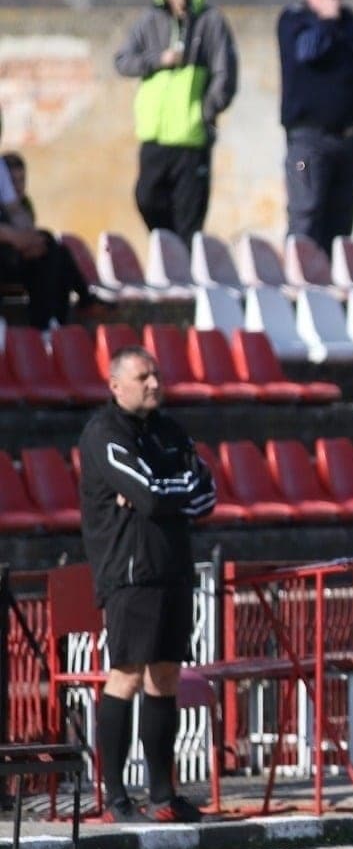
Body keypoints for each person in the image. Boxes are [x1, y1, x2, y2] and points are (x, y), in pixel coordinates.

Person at [78, 346, 216, 822]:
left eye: (157, 374)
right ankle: (115, 797)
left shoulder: (171, 431)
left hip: (174, 567)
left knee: (166, 675)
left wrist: (158, 491)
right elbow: (153, 496)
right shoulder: (104, 433)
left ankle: (162, 794)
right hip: (130, 573)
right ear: (116, 385)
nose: (155, 383)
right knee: (128, 674)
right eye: (143, 376)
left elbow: (205, 494)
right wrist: (159, 492)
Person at [113, 0, 237, 241]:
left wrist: (205, 112)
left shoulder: (211, 23)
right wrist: (158, 59)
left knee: (189, 218)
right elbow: (122, 61)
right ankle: (167, 251)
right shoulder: (148, 22)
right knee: (147, 198)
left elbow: (225, 75)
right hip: (154, 136)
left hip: (192, 139)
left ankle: (183, 270)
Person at [277, 0, 353, 250]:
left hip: (347, 139)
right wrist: (327, 22)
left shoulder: (350, 21)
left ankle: (330, 286)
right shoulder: (295, 20)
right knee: (306, 213)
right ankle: (298, 287)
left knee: (340, 223)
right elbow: (308, 52)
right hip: (308, 143)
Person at [0, 138, 87, 329]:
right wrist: (17, 239)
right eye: (12, 181)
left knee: (52, 249)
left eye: (21, 180)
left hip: (15, 255)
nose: (17, 186)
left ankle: (51, 324)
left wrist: (29, 241)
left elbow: (22, 223)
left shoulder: (23, 204)